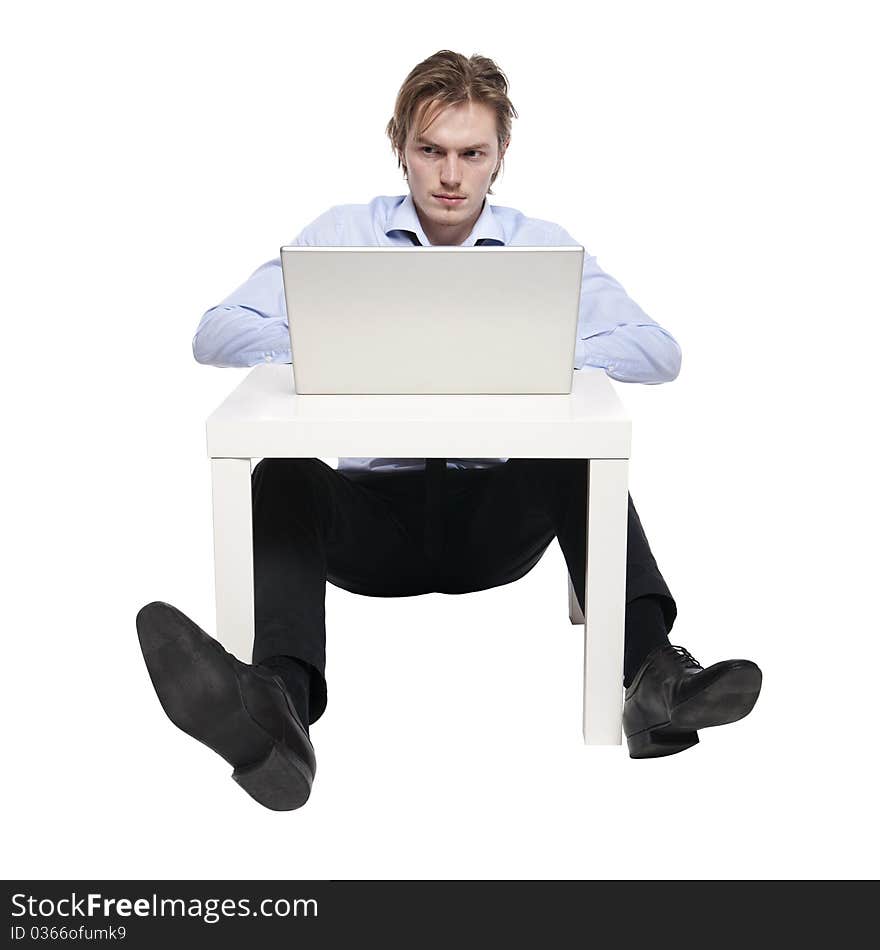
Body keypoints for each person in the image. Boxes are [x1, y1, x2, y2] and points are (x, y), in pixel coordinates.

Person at [136, 50, 762, 811]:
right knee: (282, 471)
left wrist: (531, 351)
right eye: (431, 150)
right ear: (400, 143)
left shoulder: (540, 245)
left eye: (473, 153)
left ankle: (656, 680)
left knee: (577, 464)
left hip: (493, 525)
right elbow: (215, 333)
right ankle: (278, 713)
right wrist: (340, 343)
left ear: (501, 158)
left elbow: (658, 352)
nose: (450, 175)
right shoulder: (344, 233)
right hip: (372, 523)